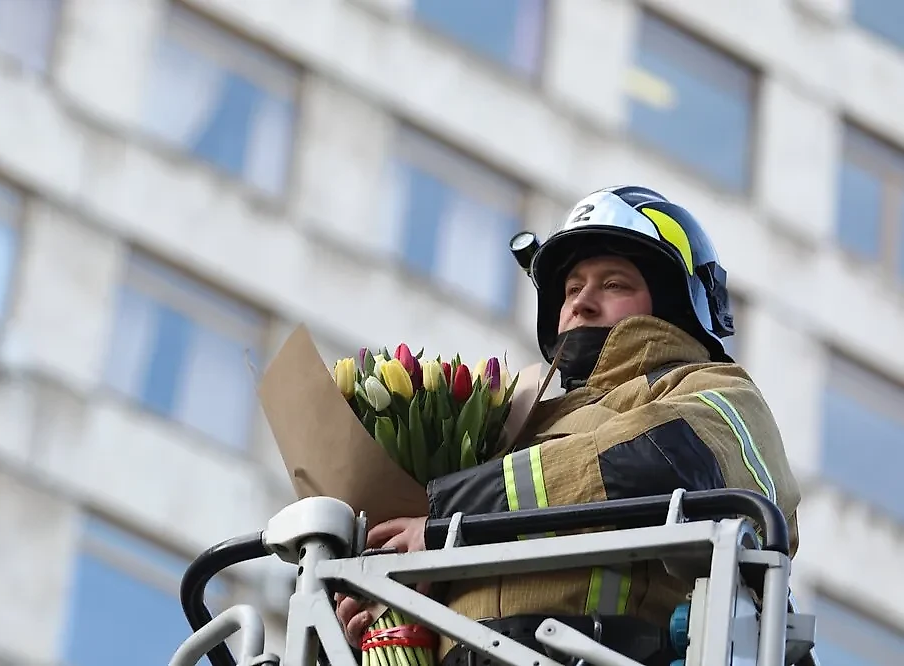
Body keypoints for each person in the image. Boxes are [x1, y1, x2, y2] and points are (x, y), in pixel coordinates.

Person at [336, 185, 802, 666]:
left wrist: (445, 519)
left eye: (614, 283)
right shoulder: (515, 429)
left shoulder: (715, 389)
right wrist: (387, 610)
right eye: (572, 288)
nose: (581, 302)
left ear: (672, 304)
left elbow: (666, 458)